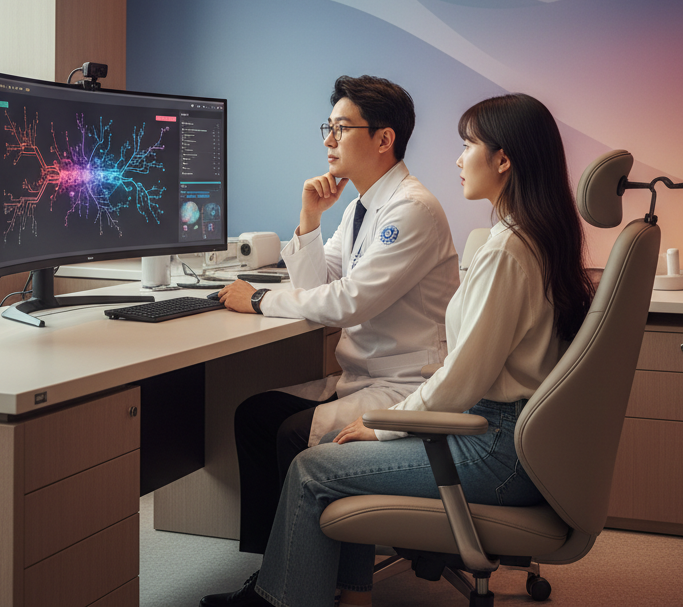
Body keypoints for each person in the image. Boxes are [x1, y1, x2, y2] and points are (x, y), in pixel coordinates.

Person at [248, 93, 595, 607]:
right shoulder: (528, 237)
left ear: (503, 159)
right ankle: (345, 594)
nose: (457, 159)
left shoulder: (504, 249)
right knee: (312, 436)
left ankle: (282, 598)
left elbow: (464, 378)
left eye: (467, 145)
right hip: (509, 440)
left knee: (312, 464)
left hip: (495, 449)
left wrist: (383, 423)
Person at [201, 75, 460, 606]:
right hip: (363, 376)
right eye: (329, 127)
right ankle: (275, 571)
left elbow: (349, 302)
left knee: (297, 435)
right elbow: (318, 287)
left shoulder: (412, 210)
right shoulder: (360, 207)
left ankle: (293, 589)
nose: (328, 140)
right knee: (255, 415)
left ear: (383, 139)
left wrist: (256, 300)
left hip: (405, 387)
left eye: (341, 129)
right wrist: (309, 219)